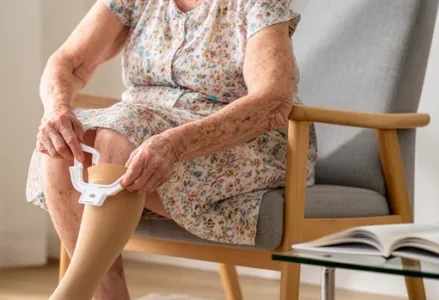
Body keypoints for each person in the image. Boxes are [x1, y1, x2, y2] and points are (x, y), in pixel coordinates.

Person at [25, 0, 317, 299]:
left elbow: (273, 100)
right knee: (65, 142)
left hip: (241, 141)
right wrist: (57, 109)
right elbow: (68, 63)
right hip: (143, 132)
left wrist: (176, 144)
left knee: (120, 132)